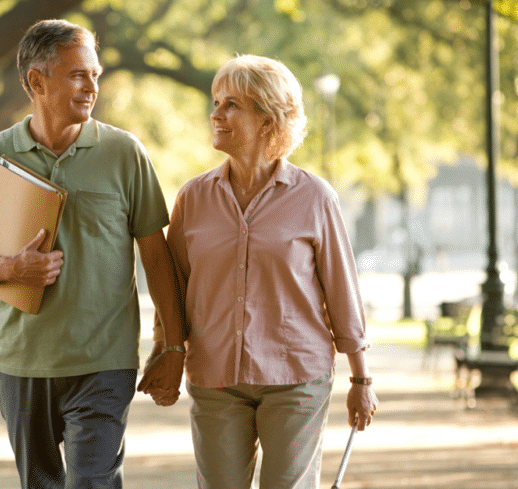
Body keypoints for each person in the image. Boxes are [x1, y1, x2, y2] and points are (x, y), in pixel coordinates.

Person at [0, 19, 184, 488]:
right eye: (78, 75)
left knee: (92, 483)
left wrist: (173, 346)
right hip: (21, 362)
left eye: (95, 74)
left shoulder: (123, 153)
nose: (92, 86)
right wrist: (9, 268)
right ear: (37, 81)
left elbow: (157, 257)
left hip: (104, 362)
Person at [140, 55, 378, 488]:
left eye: (231, 104)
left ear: (268, 121)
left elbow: (343, 292)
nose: (216, 113)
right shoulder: (193, 198)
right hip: (214, 375)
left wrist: (361, 378)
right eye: (216, 102)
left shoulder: (314, 198)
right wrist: (166, 350)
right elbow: (172, 289)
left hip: (295, 377)